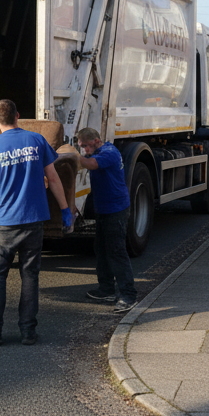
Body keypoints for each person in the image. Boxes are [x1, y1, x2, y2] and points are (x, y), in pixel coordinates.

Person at [0, 99, 74, 346]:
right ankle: (28, 332)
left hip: (5, 224)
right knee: (30, 276)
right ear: (18, 115)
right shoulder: (37, 141)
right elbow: (54, 179)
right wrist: (66, 210)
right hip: (33, 221)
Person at [76, 127, 137, 313]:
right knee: (101, 248)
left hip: (115, 209)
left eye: (85, 146)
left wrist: (72, 156)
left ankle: (128, 295)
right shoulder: (100, 152)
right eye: (81, 147)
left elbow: (92, 164)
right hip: (104, 208)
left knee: (116, 252)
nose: (84, 150)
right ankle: (106, 289)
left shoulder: (109, 152)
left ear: (96, 141)